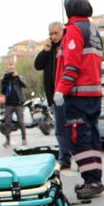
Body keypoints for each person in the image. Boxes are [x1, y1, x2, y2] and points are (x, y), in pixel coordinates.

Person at [53, 0, 104, 199]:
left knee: (78, 137)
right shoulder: (93, 30)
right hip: (93, 93)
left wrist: (61, 89)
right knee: (91, 136)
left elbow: (72, 64)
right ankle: (94, 178)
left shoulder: (75, 29)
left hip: (77, 95)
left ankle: (91, 180)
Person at [34, 21, 71, 168]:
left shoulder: (68, 45)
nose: (53, 36)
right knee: (60, 129)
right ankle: (64, 158)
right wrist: (46, 50)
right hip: (56, 96)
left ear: (63, 31)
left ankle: (78, 158)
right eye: (51, 34)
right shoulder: (51, 49)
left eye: (56, 33)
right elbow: (38, 65)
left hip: (69, 94)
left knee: (73, 128)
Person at [0, 62, 28, 148]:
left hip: (18, 103)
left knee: (21, 122)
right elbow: (3, 91)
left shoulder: (19, 77)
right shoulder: (5, 78)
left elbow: (24, 85)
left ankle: (24, 139)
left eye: (12, 69)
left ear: (15, 69)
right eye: (9, 69)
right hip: (8, 104)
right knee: (7, 122)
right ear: (7, 69)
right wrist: (5, 79)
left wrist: (17, 76)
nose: (11, 71)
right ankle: (7, 140)